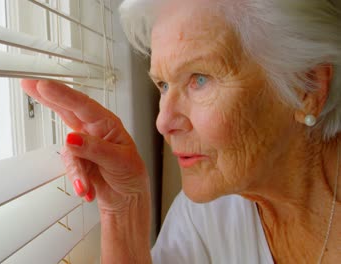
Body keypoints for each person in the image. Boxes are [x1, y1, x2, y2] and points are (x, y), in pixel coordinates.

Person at [21, 0, 341, 262]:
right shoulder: (205, 214)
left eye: (199, 78)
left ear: (307, 87)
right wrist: (124, 210)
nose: (163, 122)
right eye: (162, 84)